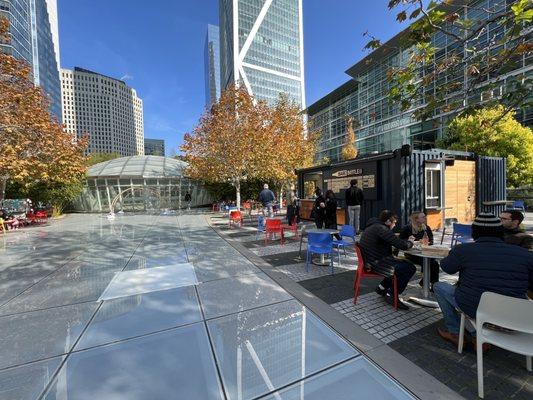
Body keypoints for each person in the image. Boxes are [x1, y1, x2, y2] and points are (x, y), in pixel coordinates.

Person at [433, 213, 533, 350]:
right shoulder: (525, 254)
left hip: (475, 308)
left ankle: (456, 333)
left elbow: (446, 267)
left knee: (439, 286)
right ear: (500, 232)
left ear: (474, 232)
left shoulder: (463, 250)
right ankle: (477, 334)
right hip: (514, 314)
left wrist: (452, 255)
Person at [359, 210, 416, 310]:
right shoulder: (381, 229)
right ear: (388, 221)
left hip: (370, 261)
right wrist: (410, 242)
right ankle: (392, 294)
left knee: (401, 264)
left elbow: (391, 240)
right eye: (394, 223)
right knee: (409, 268)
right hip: (376, 264)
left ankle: (381, 288)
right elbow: (402, 245)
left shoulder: (374, 226)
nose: (394, 226)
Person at [399, 211, 439, 289]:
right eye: (423, 217)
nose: (425, 218)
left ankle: (433, 285)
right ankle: (425, 282)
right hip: (412, 254)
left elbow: (431, 240)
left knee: (434, 264)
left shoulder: (426, 227)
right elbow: (400, 241)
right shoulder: (407, 228)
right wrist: (412, 242)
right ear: (416, 219)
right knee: (430, 263)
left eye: (425, 216)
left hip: (424, 252)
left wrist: (428, 242)